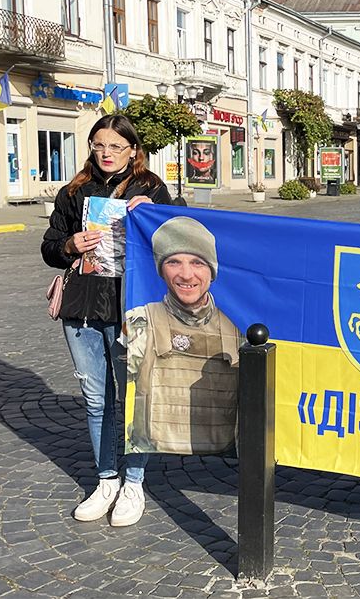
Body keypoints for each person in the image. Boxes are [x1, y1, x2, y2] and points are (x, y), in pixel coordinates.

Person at [41, 114, 172, 527]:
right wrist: (69, 244)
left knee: (133, 396)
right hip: (82, 306)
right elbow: (49, 247)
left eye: (116, 146)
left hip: (131, 307)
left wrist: (157, 214)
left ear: (133, 150)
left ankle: (134, 483)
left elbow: (182, 237)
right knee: (97, 399)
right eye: (99, 145)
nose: (106, 153)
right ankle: (106, 480)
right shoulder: (74, 192)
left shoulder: (151, 188)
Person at [125, 216, 241, 456]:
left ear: (212, 271)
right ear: (160, 270)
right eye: (174, 262)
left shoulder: (238, 327)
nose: (186, 275)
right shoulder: (142, 321)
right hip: (152, 445)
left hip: (226, 450)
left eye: (198, 263)